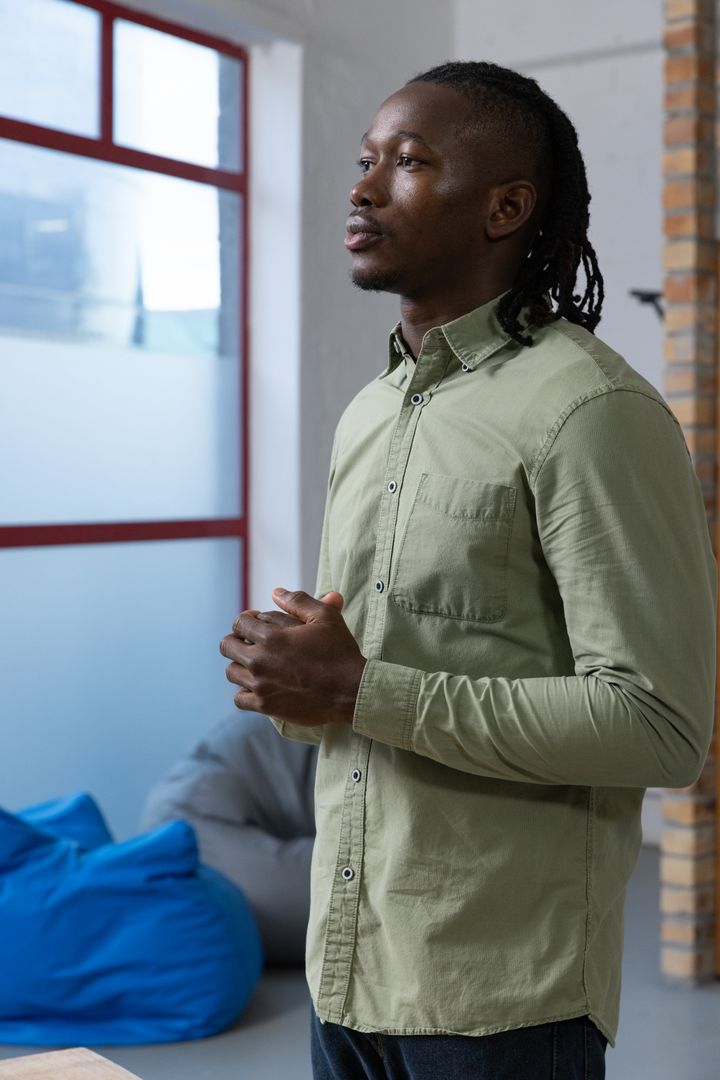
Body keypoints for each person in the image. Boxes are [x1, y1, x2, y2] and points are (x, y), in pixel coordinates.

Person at [219, 61, 716, 1080]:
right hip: (346, 968)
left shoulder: (590, 413)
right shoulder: (371, 412)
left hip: (501, 998)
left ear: (505, 208)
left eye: (408, 162)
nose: (363, 187)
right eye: (366, 159)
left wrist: (358, 688)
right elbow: (368, 676)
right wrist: (297, 684)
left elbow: (661, 726)